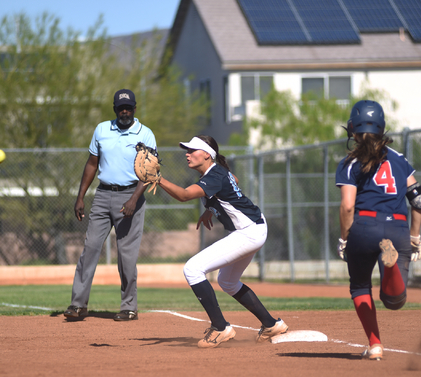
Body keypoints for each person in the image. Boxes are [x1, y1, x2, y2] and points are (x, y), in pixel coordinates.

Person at [157, 135, 288, 348]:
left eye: (192, 150)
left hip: (248, 232)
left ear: (207, 154)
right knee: (227, 281)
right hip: (254, 227)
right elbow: (233, 180)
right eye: (186, 150)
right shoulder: (216, 172)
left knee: (193, 269)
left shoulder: (214, 175)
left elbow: (183, 195)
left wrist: (157, 179)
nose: (187, 154)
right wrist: (211, 208)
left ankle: (220, 327)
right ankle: (271, 324)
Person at [335, 100, 421, 361]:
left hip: (364, 226)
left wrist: (344, 239)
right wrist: (414, 237)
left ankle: (375, 345)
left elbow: (348, 206)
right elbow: (419, 201)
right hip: (397, 227)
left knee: (360, 287)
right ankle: (390, 267)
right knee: (394, 301)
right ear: (382, 129)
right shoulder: (399, 159)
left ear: (352, 129)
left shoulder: (349, 163)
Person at [64, 89, 156, 322]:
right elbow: (92, 163)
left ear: (135, 109)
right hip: (103, 195)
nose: (124, 111)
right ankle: (78, 305)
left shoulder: (145, 134)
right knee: (90, 249)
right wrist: (80, 196)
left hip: (131, 195)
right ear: (114, 109)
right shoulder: (102, 129)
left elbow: (150, 173)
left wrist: (134, 199)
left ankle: (129, 307)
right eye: (120, 108)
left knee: (126, 256)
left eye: (128, 108)